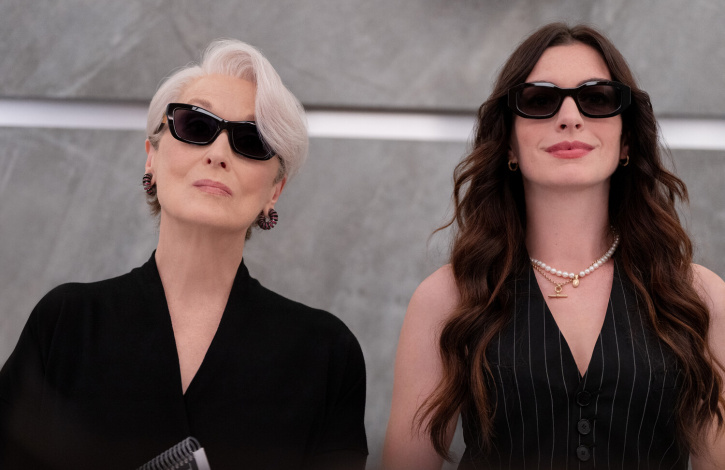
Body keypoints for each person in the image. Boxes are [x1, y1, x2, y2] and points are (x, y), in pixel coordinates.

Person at [0, 39, 367, 470]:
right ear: (151, 158)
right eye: (195, 125)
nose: (218, 154)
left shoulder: (326, 353)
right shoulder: (65, 324)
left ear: (275, 191)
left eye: (251, 140)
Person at [383, 23, 724, 470]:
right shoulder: (446, 299)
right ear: (508, 142)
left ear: (626, 140)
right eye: (539, 101)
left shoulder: (699, 298)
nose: (570, 117)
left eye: (597, 98)